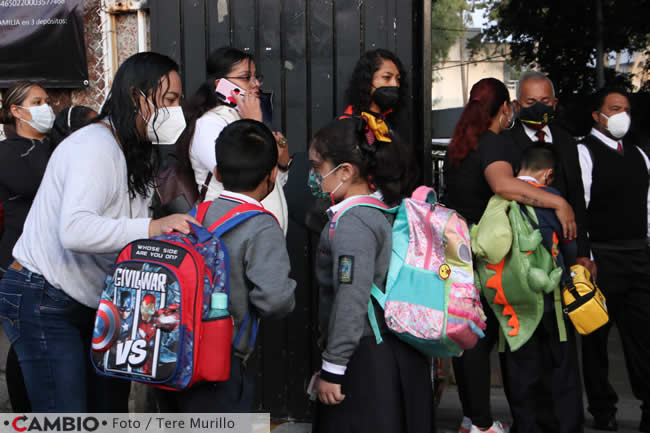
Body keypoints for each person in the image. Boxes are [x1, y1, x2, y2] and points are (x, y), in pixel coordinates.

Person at [0, 52, 198, 412]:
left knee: (107, 409)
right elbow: (75, 230)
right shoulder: (93, 146)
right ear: (138, 97)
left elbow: (125, 232)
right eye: (169, 100)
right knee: (67, 413)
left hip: (91, 299)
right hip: (43, 296)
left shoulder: (133, 152)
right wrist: (153, 227)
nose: (175, 111)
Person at [443, 77, 577, 433]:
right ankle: (489, 424)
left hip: (460, 253)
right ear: (506, 108)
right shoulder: (494, 144)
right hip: (489, 258)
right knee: (502, 335)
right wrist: (558, 201)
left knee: (471, 335)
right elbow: (504, 185)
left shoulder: (460, 146)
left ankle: (474, 419)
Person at [310, 117, 434, 433]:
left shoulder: (352, 224)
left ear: (347, 171)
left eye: (317, 167)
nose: (313, 177)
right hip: (393, 350)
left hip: (367, 358)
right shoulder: (383, 212)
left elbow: (352, 296)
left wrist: (334, 367)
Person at [170, 119, 296, 412]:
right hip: (221, 364)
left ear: (217, 172)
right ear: (272, 175)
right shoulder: (262, 226)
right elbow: (275, 300)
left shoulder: (196, 213)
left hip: (175, 354)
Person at [578, 88, 650, 432]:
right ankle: (602, 408)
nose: (623, 115)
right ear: (597, 114)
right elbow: (582, 209)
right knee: (595, 341)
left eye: (627, 110)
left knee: (643, 338)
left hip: (638, 256)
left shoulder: (639, 155)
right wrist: (586, 257)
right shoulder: (584, 152)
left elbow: (647, 208)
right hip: (601, 258)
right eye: (615, 109)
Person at [502, 144, 583, 433]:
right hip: (550, 301)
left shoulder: (500, 198)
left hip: (511, 302)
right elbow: (570, 245)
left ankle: (526, 426)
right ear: (549, 174)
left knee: (521, 368)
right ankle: (564, 425)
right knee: (560, 368)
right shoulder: (553, 199)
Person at [175, 46, 292, 233]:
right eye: (246, 78)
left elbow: (268, 183)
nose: (255, 84)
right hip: (232, 233)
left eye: (256, 77)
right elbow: (239, 173)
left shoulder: (242, 118)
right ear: (221, 84)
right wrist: (253, 123)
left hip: (260, 233)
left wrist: (283, 164)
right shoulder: (210, 124)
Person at [504, 71, 595, 276]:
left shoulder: (566, 140)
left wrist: (583, 252)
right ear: (517, 106)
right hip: (524, 250)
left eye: (544, 101)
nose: (538, 107)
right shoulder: (505, 143)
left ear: (554, 104)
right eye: (531, 102)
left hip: (567, 244)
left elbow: (577, 198)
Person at [0, 81, 56, 413]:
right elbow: (32, 186)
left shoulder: (55, 147)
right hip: (19, 260)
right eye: (37, 102)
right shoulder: (8, 152)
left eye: (46, 101)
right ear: (17, 111)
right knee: (25, 340)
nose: (46, 107)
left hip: (55, 260)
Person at [343, 49, 418, 197]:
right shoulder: (348, 124)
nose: (395, 84)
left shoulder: (391, 124)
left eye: (398, 79)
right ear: (367, 80)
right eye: (387, 78)